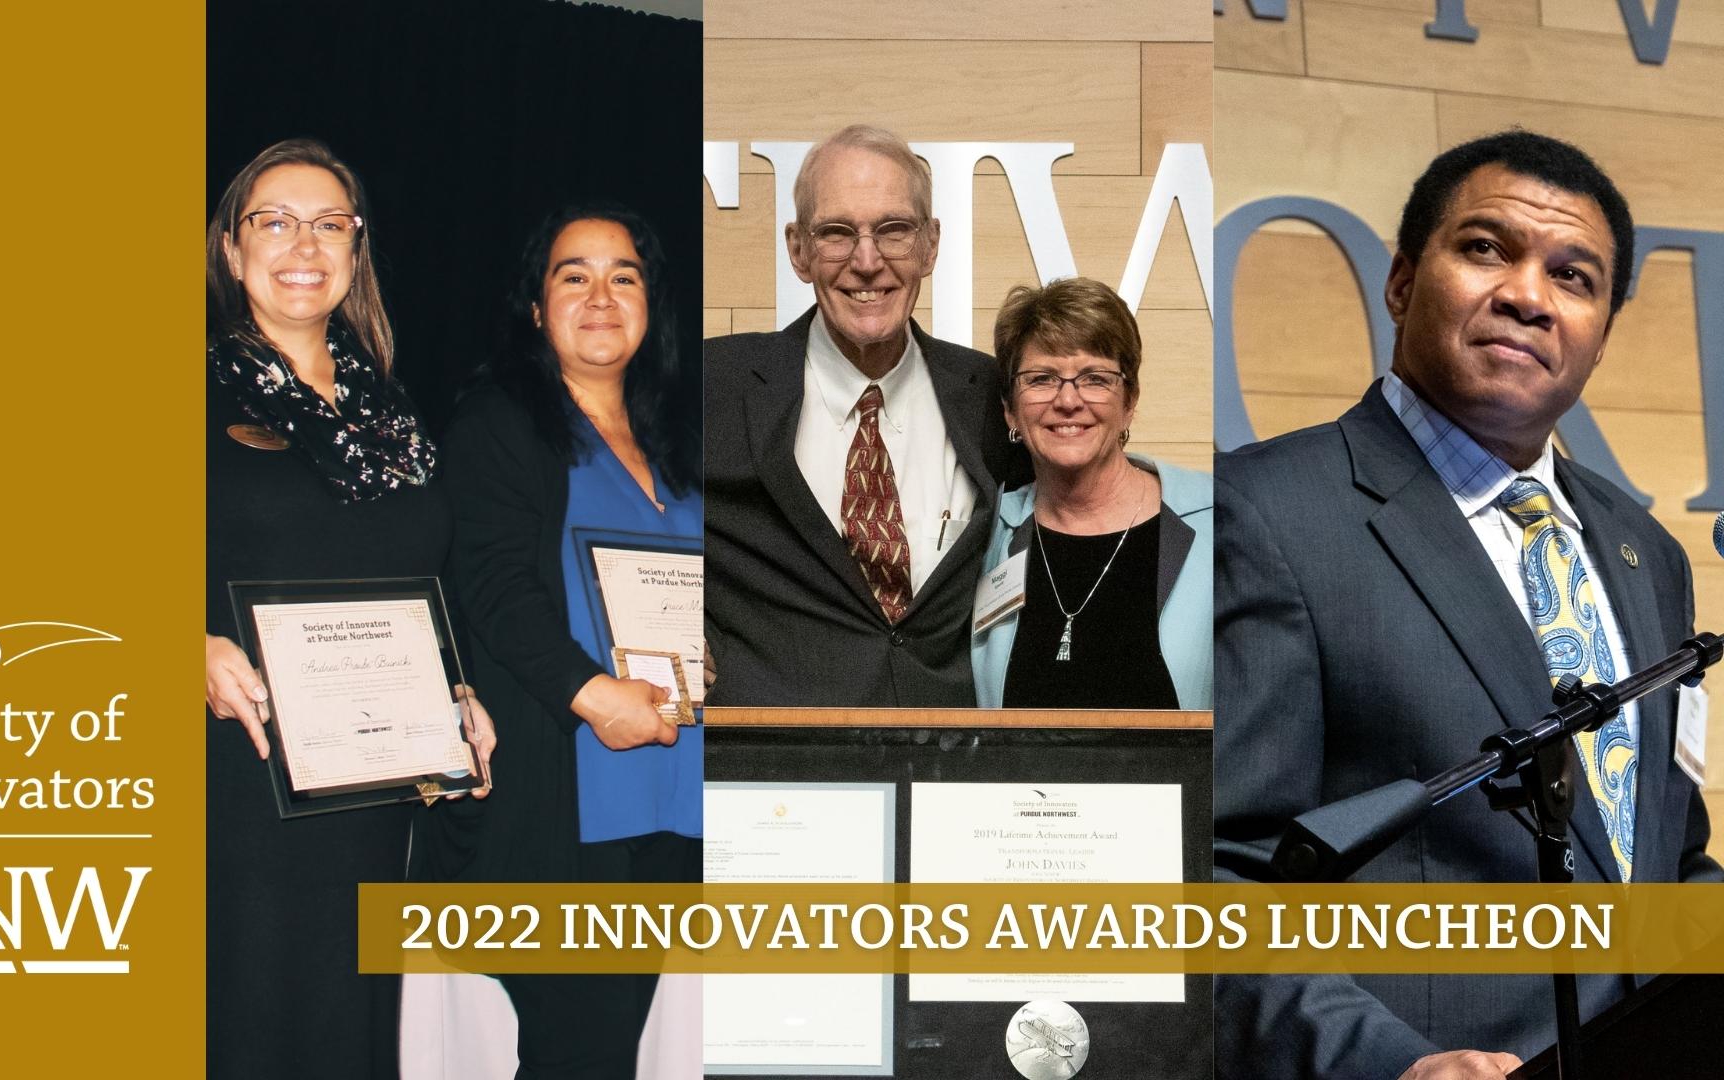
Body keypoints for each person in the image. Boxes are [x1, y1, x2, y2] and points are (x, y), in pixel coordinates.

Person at [1214, 130, 1722, 1080]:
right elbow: (1221, 873)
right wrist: (1391, 1066)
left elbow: (1662, 859)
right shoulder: (1263, 511)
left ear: (1601, 334)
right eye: (1486, 249)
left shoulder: (1645, 551)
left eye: (1573, 276)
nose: (1529, 295)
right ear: (1402, 280)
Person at [203, 138, 494, 1080]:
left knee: (349, 1026)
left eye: (331, 224)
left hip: (369, 782)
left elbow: (414, 577)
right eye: (275, 221)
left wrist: (455, 691)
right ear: (229, 248)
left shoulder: (390, 407)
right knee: (247, 1019)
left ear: (356, 251)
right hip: (235, 782)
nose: (305, 244)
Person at [413, 202, 701, 1077]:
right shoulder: (501, 423)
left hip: (669, 792)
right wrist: (593, 695)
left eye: (625, 275)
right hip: (566, 797)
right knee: (578, 1047)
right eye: (572, 275)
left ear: (652, 306)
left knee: (614, 1044)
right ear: (536, 309)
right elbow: (493, 589)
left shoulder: (677, 438)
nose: (601, 294)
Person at [705, 123, 1005, 707]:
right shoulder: (715, 384)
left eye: (894, 230)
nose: (867, 262)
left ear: (930, 244)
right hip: (777, 771)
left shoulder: (993, 393)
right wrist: (661, 625)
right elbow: (603, 502)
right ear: (798, 250)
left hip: (953, 760)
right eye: (837, 233)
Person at [973, 276, 1211, 709]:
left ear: (1130, 400)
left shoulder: (1219, 520)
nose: (1068, 400)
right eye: (1042, 378)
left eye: (1095, 378)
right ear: (1009, 407)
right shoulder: (984, 533)